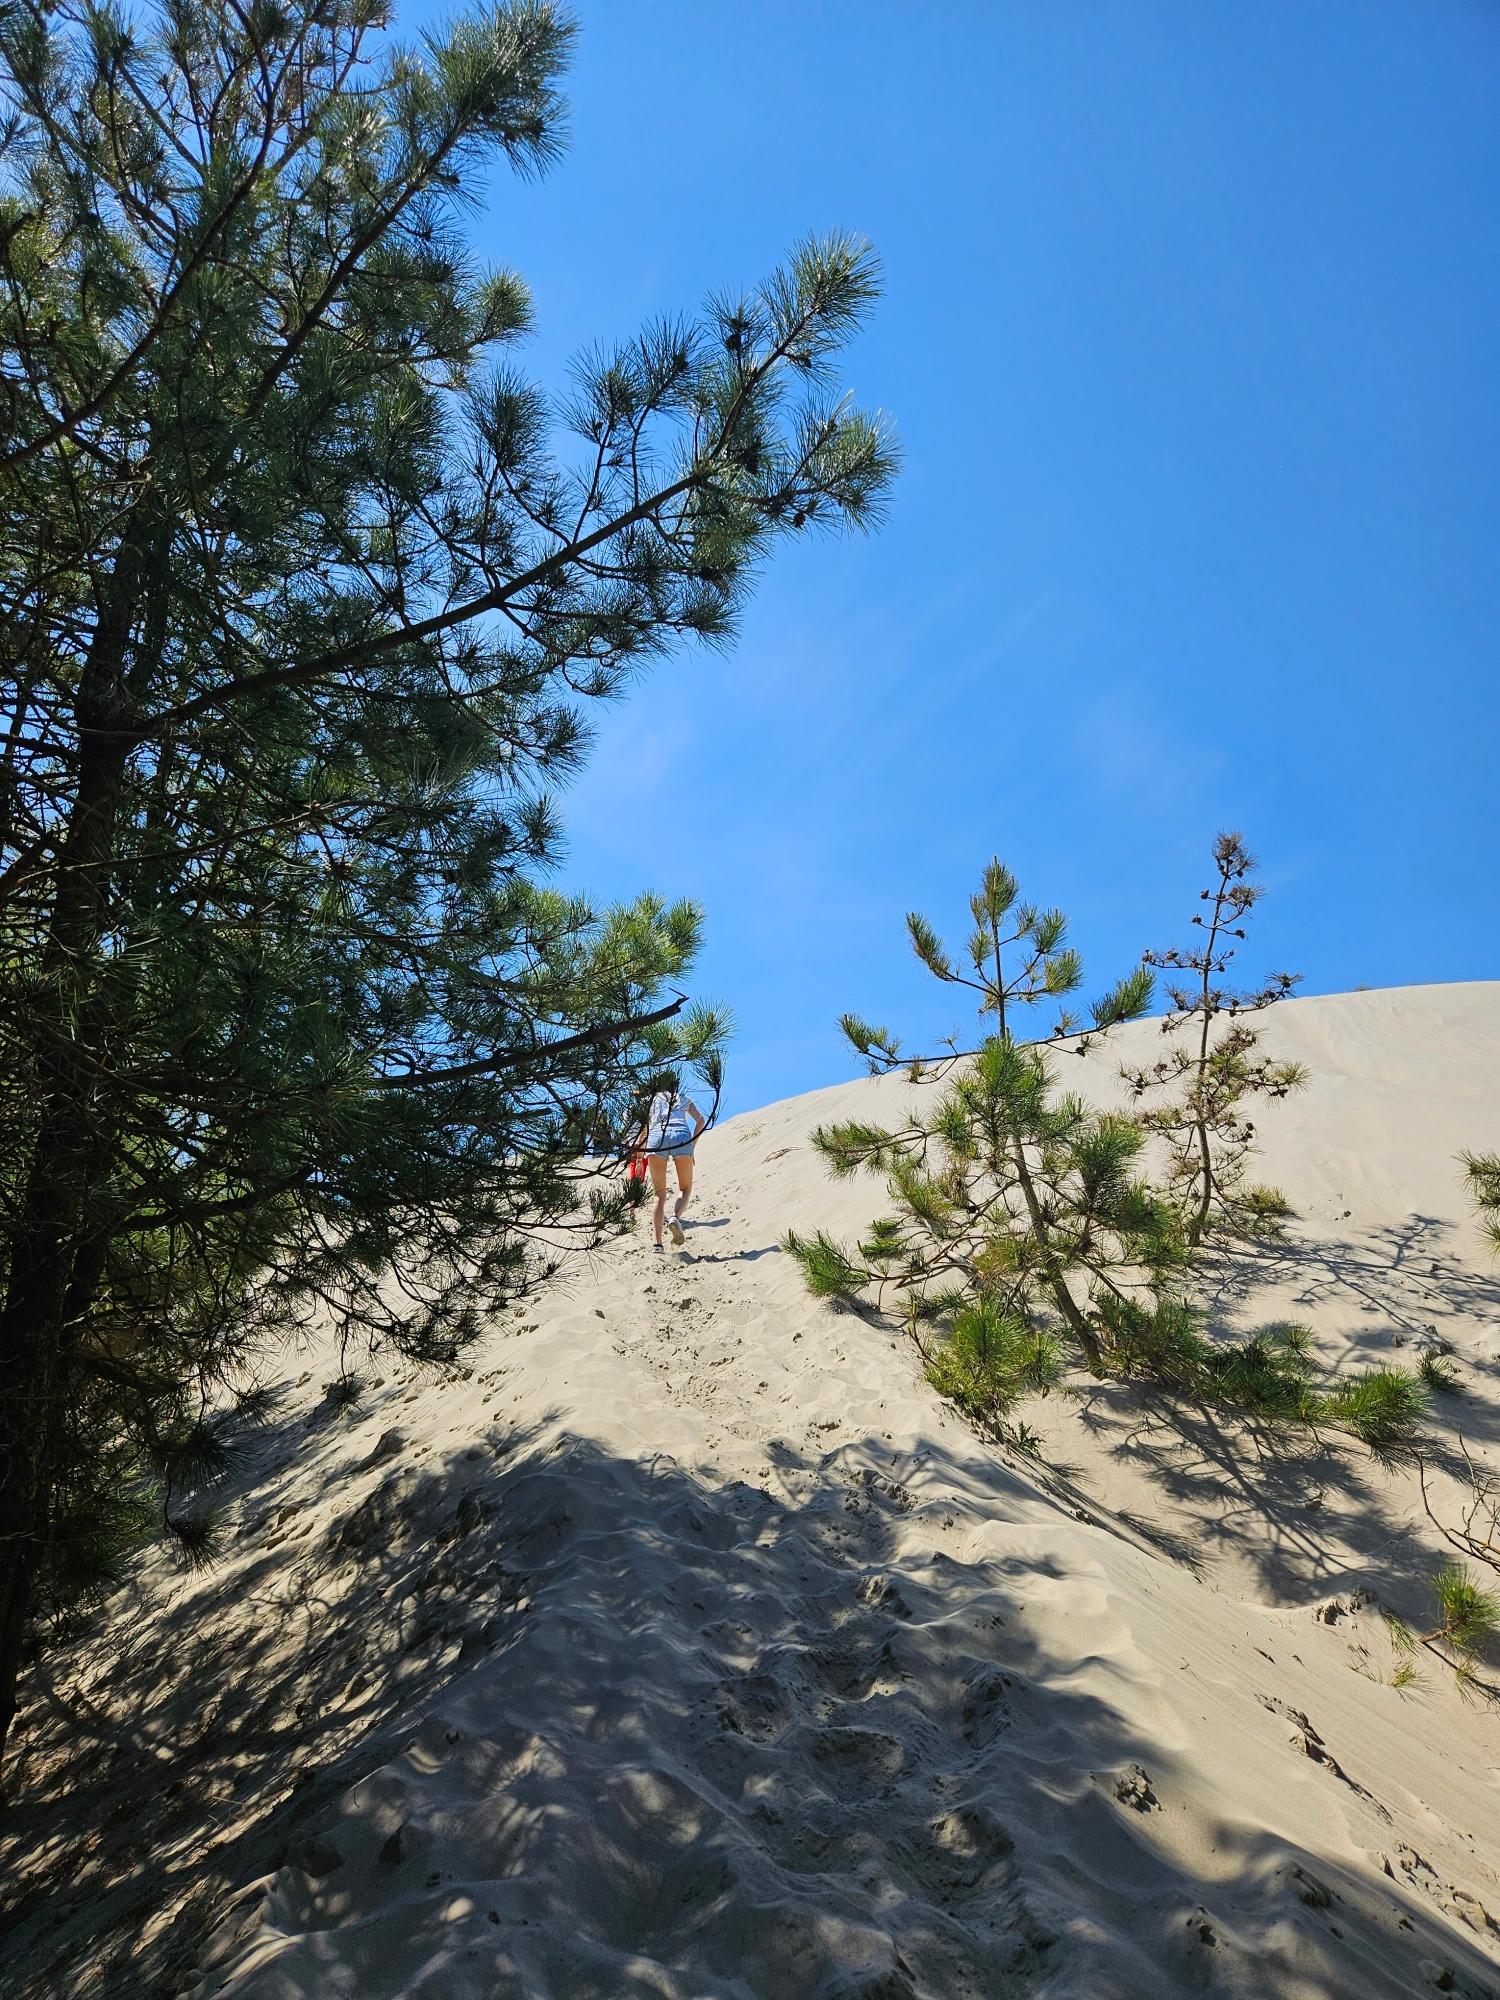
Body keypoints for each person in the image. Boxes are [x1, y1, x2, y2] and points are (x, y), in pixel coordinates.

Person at [635, 1070, 708, 1250]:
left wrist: (639, 1158)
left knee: (659, 1195)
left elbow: (643, 1131)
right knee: (685, 1189)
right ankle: (675, 1217)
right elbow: (701, 1121)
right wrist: (692, 1146)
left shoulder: (650, 1100)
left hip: (657, 1137)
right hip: (681, 1136)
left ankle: (657, 1244)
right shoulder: (683, 1098)